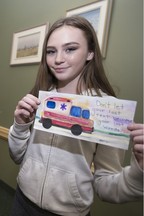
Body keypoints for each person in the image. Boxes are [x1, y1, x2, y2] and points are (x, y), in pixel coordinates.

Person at [8, 16, 143, 216]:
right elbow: (17, 156)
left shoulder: (106, 110)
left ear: (90, 53)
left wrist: (139, 172)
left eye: (70, 49)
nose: (58, 59)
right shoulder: (40, 97)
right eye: (51, 51)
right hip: (22, 201)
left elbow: (106, 185)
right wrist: (20, 126)